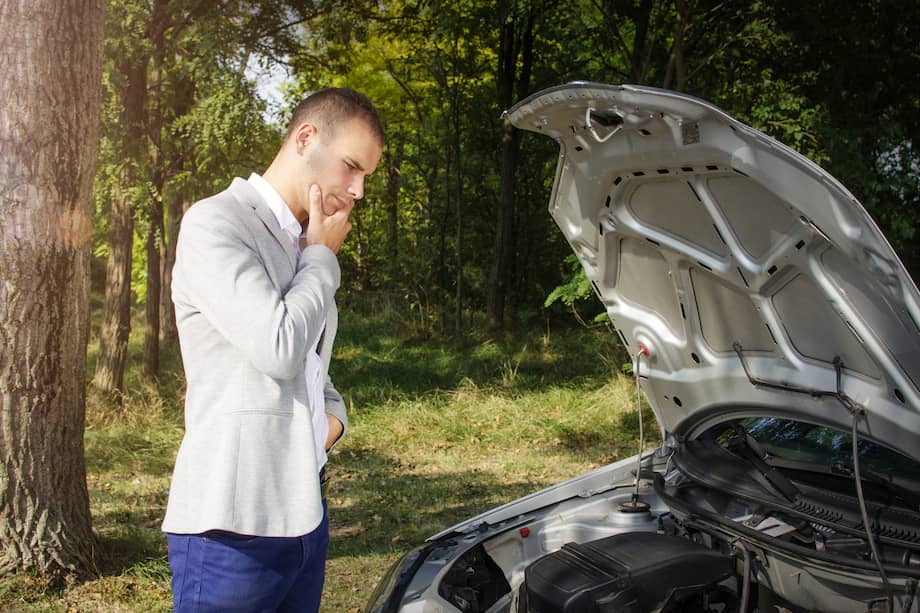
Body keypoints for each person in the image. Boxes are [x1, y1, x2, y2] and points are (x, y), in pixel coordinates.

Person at [162, 88, 384, 612]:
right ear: (306, 138)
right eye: (350, 167)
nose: (356, 191)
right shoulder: (217, 222)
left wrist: (335, 419)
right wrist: (323, 261)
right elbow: (280, 346)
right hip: (232, 528)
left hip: (306, 516)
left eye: (365, 178)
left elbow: (311, 365)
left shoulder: (304, 243)